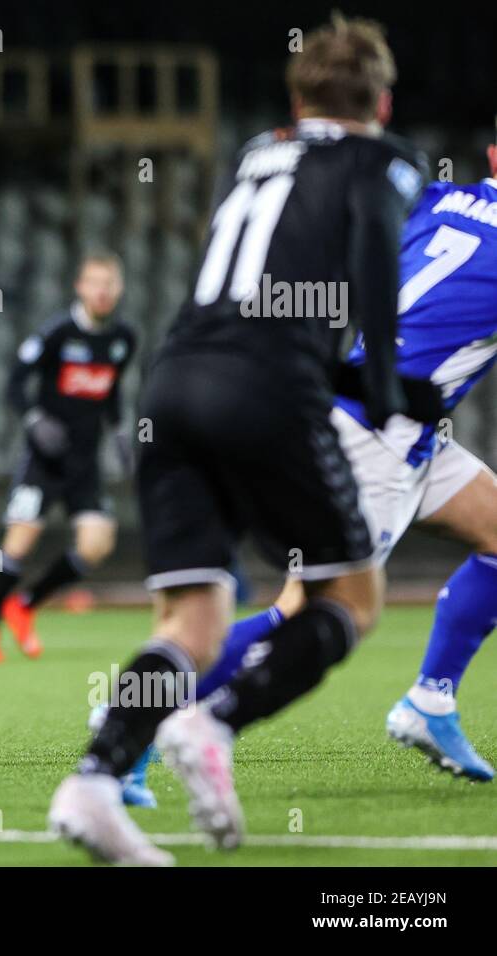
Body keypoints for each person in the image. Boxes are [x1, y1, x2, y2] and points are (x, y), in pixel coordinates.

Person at [49, 16, 429, 865]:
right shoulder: (381, 159)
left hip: (175, 380)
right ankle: (212, 724)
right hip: (267, 390)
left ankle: (93, 784)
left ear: (295, 98)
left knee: (193, 620)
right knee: (351, 600)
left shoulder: (256, 152)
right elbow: (371, 257)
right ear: (382, 99)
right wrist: (384, 385)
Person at [190, 135, 497, 782]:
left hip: (388, 418)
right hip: (376, 438)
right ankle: (141, 716)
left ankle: (428, 702)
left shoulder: (442, 199)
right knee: (307, 611)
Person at [0, 253, 137, 666]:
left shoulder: (122, 339)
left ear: (118, 289)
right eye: (94, 283)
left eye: (109, 284)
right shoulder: (57, 334)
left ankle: (25, 605)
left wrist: (119, 431)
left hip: (85, 463)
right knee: (17, 546)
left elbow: (112, 391)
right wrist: (33, 420)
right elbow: (15, 382)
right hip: (44, 461)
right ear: (80, 287)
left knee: (97, 545)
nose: (101, 291)